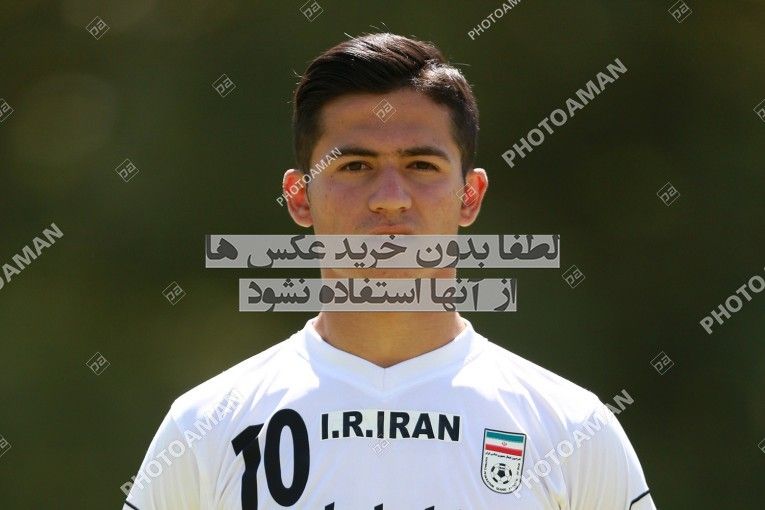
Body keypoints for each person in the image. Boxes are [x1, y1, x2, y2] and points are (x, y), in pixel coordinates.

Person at [123, 32, 656, 509]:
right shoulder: (205, 427)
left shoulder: (572, 429)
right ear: (299, 196)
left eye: (421, 165)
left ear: (470, 196)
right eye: (355, 166)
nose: (390, 198)